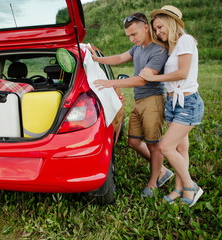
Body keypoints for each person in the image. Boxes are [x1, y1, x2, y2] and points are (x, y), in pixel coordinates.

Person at [87, 12, 172, 197]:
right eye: (128, 36)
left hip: (153, 101)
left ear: (145, 27)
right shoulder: (138, 48)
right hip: (138, 101)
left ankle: (153, 183)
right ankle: (163, 170)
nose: (132, 39)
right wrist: (98, 59)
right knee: (133, 142)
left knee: (153, 145)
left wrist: (111, 83)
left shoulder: (158, 50)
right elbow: (118, 58)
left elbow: (142, 80)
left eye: (134, 34)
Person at [139, 5, 204, 207]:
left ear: (171, 23)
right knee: (180, 147)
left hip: (188, 103)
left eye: (160, 27)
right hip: (174, 104)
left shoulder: (185, 40)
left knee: (166, 146)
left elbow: (182, 73)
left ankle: (191, 186)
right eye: (156, 29)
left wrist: (154, 77)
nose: (158, 32)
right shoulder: (172, 46)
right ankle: (178, 189)